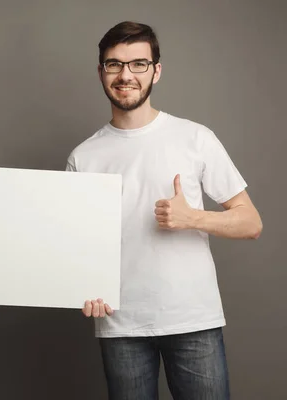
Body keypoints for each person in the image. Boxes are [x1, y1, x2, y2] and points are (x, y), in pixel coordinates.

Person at [66, 21, 262, 399]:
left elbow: (251, 222)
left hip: (192, 320)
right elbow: (77, 244)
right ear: (101, 73)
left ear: (157, 70)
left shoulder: (195, 138)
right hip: (119, 324)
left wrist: (193, 218)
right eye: (114, 64)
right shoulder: (83, 156)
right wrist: (82, 287)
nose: (126, 75)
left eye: (138, 64)